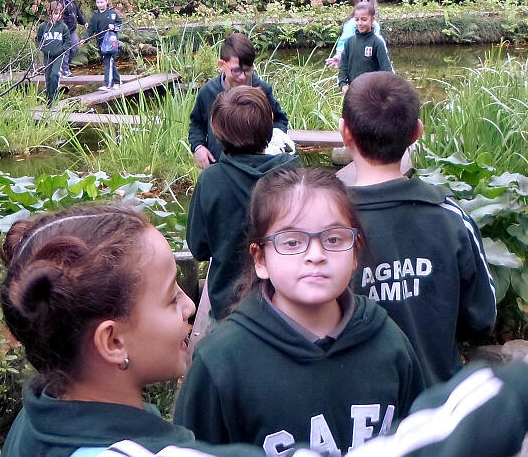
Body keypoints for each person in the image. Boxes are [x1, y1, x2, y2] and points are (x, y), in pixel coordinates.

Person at [0, 202, 528, 457]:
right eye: (170, 298)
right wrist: (524, 386)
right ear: (112, 341)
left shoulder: (39, 425)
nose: (190, 307)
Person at [174, 166, 424, 453]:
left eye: (333, 239)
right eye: (292, 242)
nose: (316, 255)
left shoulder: (389, 344)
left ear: (355, 251)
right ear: (260, 259)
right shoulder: (220, 363)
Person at [342, 72, 495, 384]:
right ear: (417, 132)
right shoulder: (451, 217)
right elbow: (481, 319)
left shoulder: (326, 228)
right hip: (437, 397)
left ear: (345, 132)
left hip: (358, 405)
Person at [187, 87, 298, 323]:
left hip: (229, 307)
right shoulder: (294, 175)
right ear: (269, 127)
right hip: (287, 302)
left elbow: (198, 248)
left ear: (217, 132)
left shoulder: (210, 180)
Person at [188, 33, 288, 170]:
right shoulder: (207, 92)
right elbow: (197, 124)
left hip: (256, 168)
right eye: (236, 70)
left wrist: (274, 143)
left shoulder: (262, 90)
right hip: (219, 167)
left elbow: (279, 120)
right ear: (222, 65)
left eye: (247, 70)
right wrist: (198, 147)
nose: (242, 77)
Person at [337, 1, 393, 92]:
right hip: (353, 92)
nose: (359, 23)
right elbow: (343, 67)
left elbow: (386, 69)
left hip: (372, 93)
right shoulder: (349, 42)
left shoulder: (377, 43)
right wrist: (343, 84)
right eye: (356, 19)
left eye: (364, 19)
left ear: (373, 19)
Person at [326, 0, 385, 68]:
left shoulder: (376, 26)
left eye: (364, 19)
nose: (360, 23)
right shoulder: (351, 24)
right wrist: (339, 57)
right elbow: (344, 42)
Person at [87, 0, 123, 91]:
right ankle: (117, 81)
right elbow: (90, 29)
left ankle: (107, 84)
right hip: (101, 43)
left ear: (106, 1)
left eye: (102, 2)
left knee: (108, 61)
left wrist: (114, 27)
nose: (100, 4)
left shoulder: (112, 13)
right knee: (109, 62)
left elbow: (120, 24)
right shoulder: (95, 16)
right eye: (98, 2)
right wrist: (85, 39)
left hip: (111, 43)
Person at [38, 1, 71, 106]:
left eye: (59, 14)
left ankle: (55, 95)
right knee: (48, 77)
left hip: (59, 55)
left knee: (55, 74)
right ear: (50, 13)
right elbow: (38, 39)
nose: (56, 16)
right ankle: (49, 99)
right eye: (55, 13)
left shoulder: (63, 27)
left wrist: (61, 50)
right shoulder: (43, 26)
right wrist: (43, 49)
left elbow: (67, 42)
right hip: (47, 55)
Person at [53, 0, 84, 78]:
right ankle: (65, 70)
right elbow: (55, 15)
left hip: (72, 29)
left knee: (75, 48)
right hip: (63, 30)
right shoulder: (57, 1)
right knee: (65, 50)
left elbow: (77, 12)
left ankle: (64, 66)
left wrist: (83, 22)